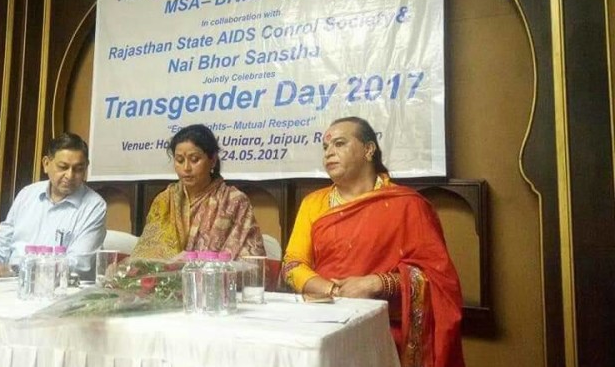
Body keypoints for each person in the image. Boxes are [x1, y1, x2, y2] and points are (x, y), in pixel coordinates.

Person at [282, 117, 465, 367]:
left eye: (339, 144)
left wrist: (376, 283)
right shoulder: (313, 203)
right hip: (324, 322)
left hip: (387, 330)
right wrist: (333, 291)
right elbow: (292, 265)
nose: (329, 153)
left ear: (369, 149)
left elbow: (438, 279)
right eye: (325, 147)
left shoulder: (407, 205)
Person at [0, 132, 106, 279]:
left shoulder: (94, 206)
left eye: (78, 169)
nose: (70, 175)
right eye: (63, 167)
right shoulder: (27, 194)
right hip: (7, 284)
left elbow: (79, 265)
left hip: (57, 290)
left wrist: (14, 269)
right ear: (46, 164)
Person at [131, 124, 265, 259]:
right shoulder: (165, 200)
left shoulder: (234, 201)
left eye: (194, 159)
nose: (186, 168)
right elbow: (146, 256)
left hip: (215, 273)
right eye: (179, 160)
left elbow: (251, 260)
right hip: (167, 273)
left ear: (213, 160)